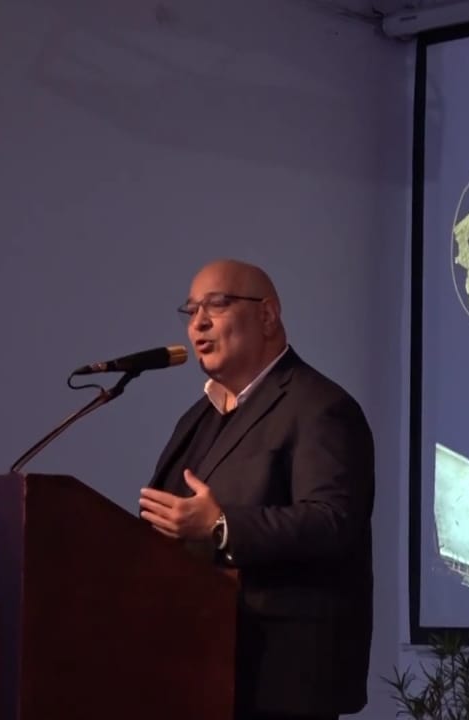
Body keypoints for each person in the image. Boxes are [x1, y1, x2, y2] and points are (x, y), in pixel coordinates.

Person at [138, 259, 375, 720]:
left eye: (216, 305)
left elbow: (332, 522)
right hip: (197, 667)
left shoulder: (321, 406)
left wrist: (221, 526)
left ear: (267, 315)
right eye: (191, 310)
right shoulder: (196, 420)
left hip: (279, 678)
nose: (199, 323)